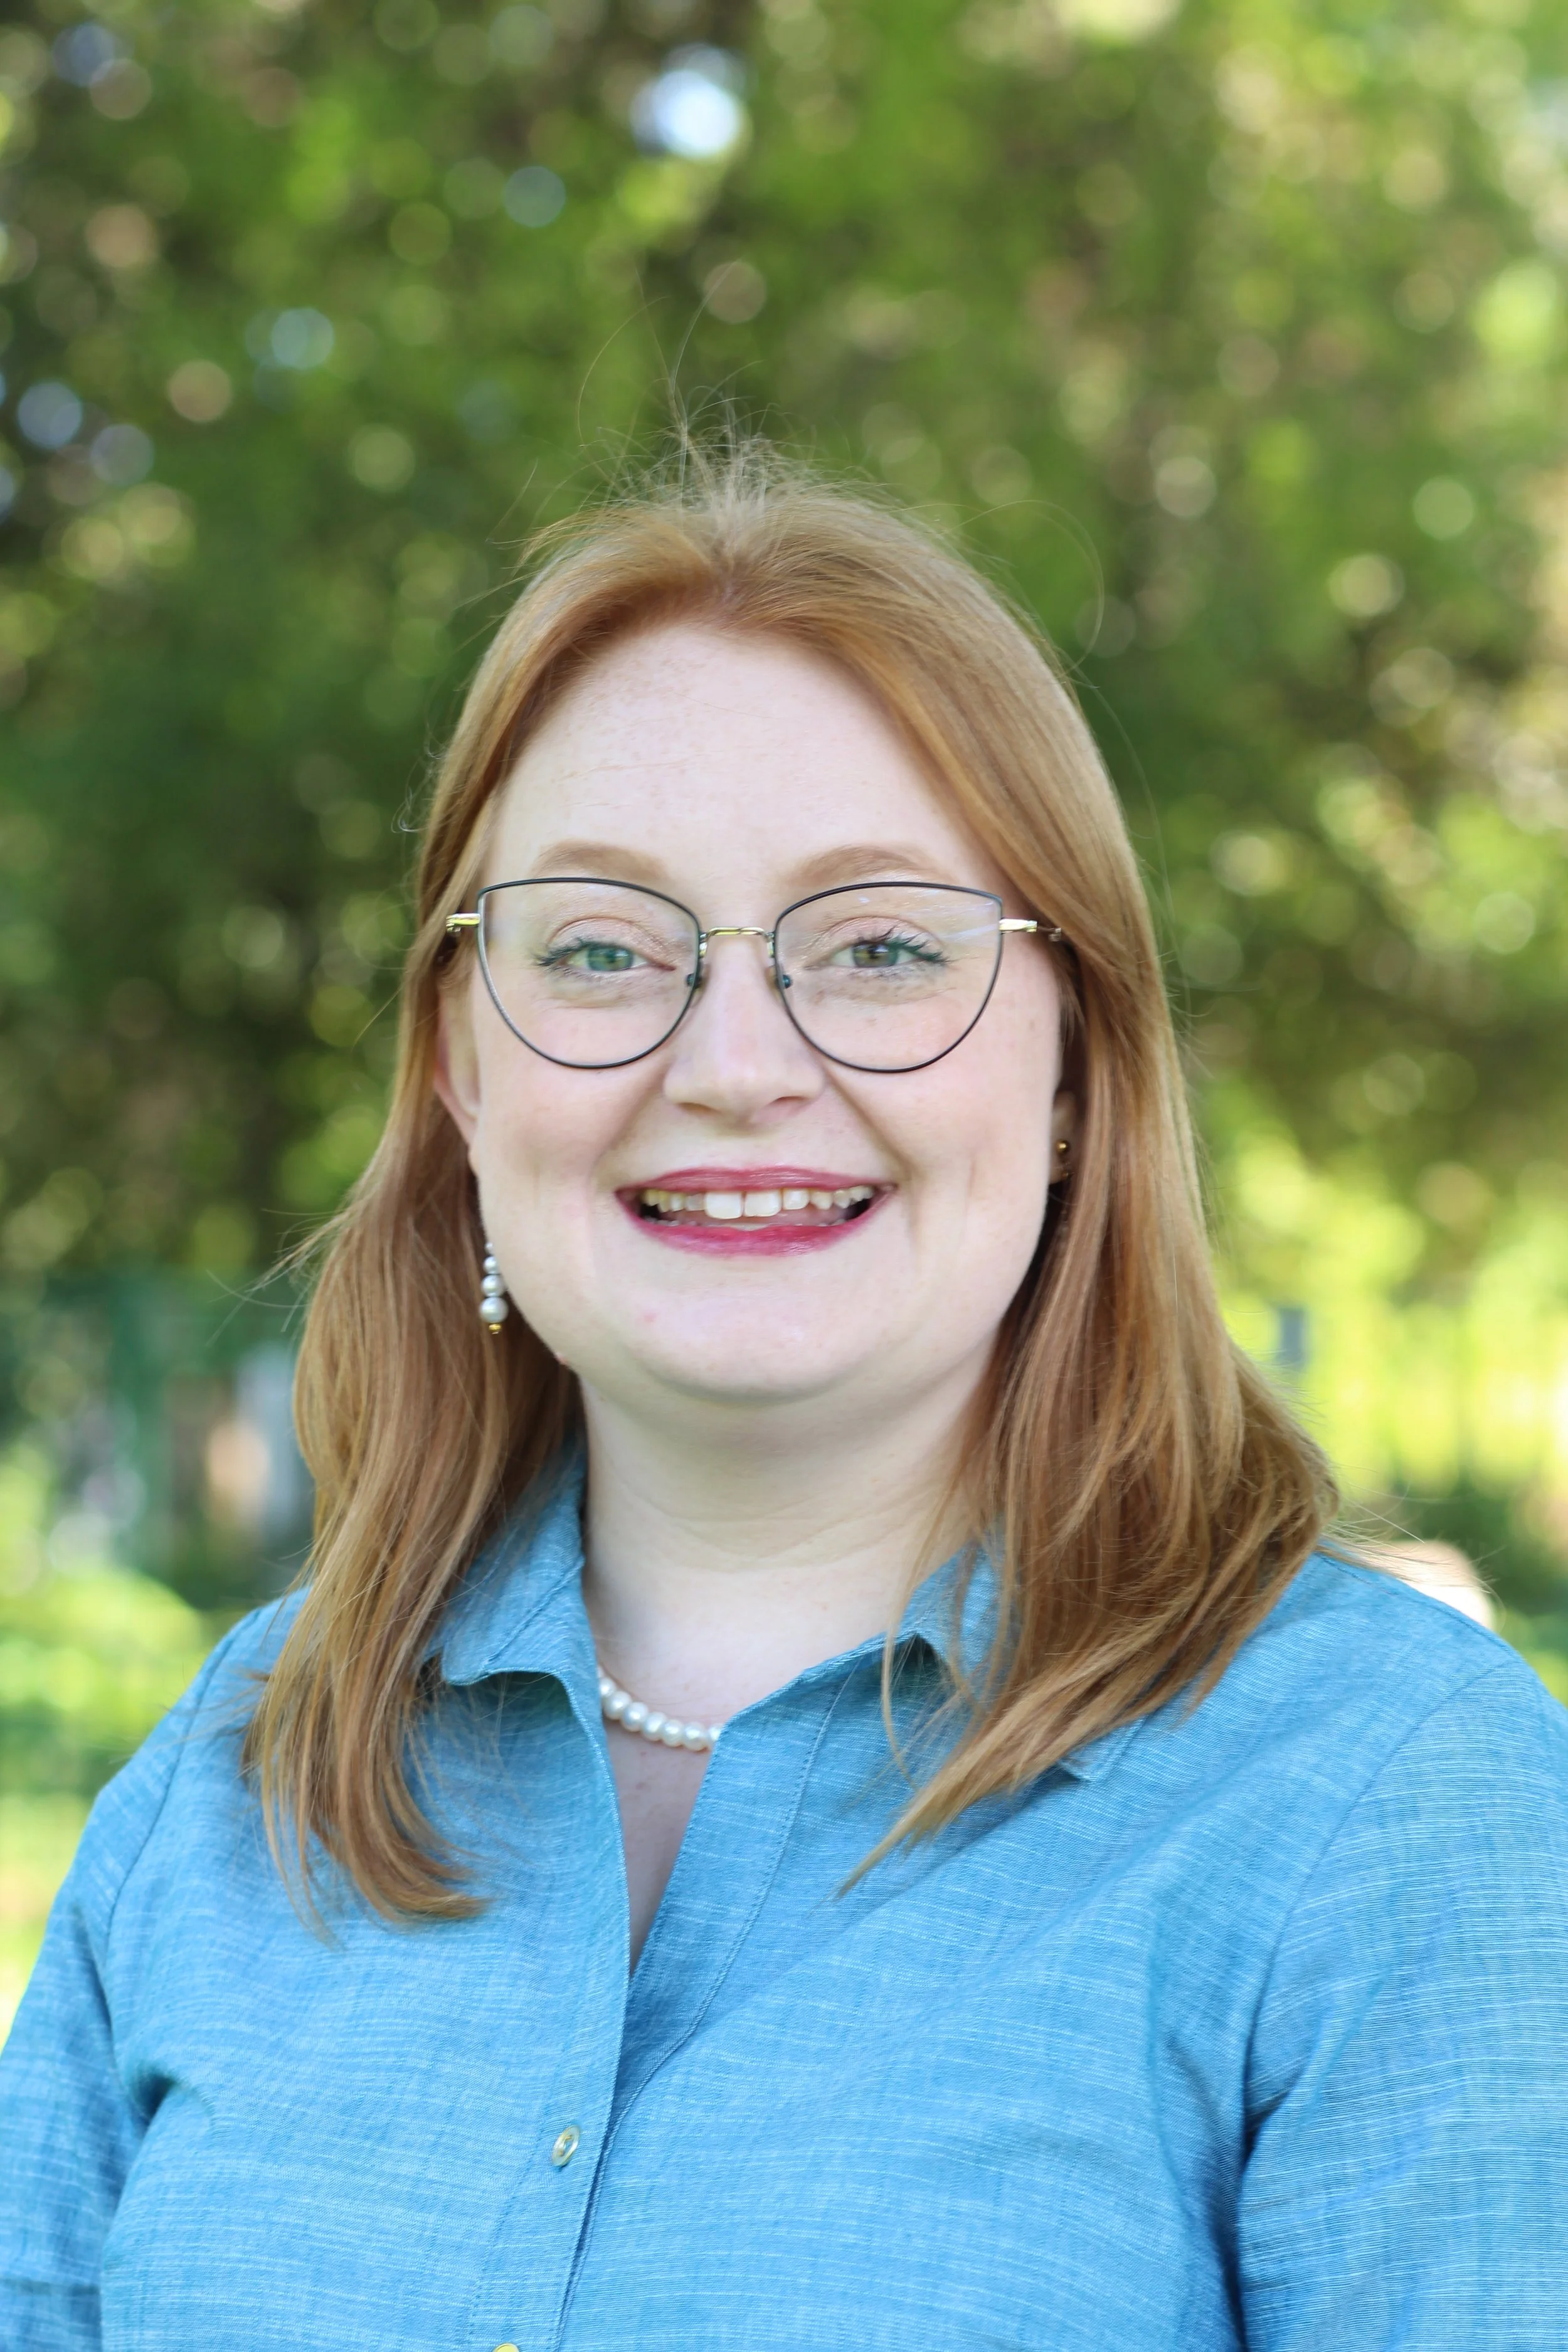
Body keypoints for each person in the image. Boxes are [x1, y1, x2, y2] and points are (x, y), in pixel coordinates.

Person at [3, 449, 1565, 2351]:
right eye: (597, 948)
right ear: (464, 1072)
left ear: (1075, 1070)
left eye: (884, 945)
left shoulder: (1384, 1794)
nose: (734, 1062)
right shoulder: (229, 1784)